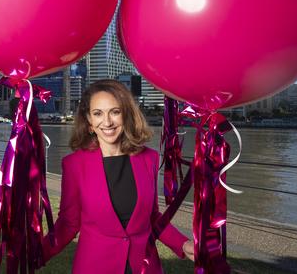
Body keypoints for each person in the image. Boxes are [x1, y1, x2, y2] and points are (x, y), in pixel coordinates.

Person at [41, 79, 193, 273]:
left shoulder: (149, 158)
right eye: (98, 113)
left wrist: (183, 244)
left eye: (115, 111)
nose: (107, 122)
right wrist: (37, 254)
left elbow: (152, 217)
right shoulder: (74, 165)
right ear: (89, 121)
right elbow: (68, 224)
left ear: (126, 114)